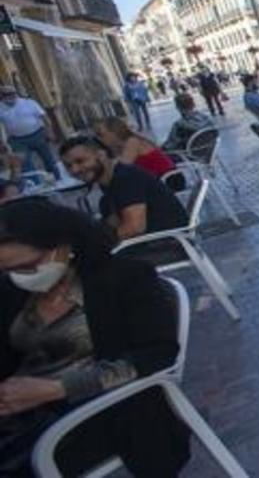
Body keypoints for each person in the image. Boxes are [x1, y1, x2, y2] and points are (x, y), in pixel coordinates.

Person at [0, 199, 191, 476]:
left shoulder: (125, 279)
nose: (20, 276)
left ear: (63, 245)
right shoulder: (13, 292)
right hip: (22, 411)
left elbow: (157, 355)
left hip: (103, 410)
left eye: (29, 266)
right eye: (8, 271)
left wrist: (59, 388)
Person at [60, 137, 189, 240]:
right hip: (158, 240)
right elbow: (114, 222)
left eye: (80, 161)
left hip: (166, 244)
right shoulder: (110, 181)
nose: (74, 170)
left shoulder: (126, 178)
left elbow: (135, 228)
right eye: (68, 166)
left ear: (101, 155)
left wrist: (94, 245)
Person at [94, 117, 180, 187]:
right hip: (155, 179)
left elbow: (123, 166)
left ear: (113, 132)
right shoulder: (120, 145)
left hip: (168, 179)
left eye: (100, 134)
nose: (99, 138)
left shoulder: (132, 141)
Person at [0, 86, 59, 178]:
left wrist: (50, 131)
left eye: (12, 93)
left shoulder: (29, 103)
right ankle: (35, 184)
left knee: (49, 159)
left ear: (15, 93)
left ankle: (57, 178)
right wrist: (2, 142)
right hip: (17, 140)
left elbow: (44, 117)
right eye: (6, 94)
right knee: (25, 164)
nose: (10, 96)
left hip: (37, 134)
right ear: (2, 96)